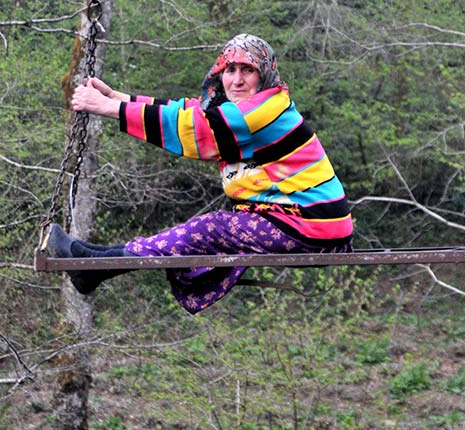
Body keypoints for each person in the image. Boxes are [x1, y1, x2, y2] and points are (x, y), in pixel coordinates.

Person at [47, 34, 353, 315]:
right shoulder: (249, 107)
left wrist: (109, 109)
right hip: (302, 222)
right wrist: (118, 98)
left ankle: (100, 265)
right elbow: (187, 110)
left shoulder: (262, 111)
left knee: (212, 228)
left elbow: (194, 128)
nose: (236, 80)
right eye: (229, 70)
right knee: (210, 230)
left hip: (312, 225)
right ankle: (99, 262)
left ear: (265, 75)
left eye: (247, 71)